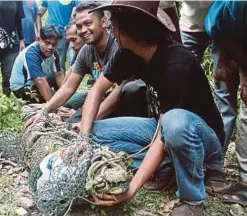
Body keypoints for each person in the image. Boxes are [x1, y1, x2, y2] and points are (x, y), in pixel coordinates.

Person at [85, 2, 225, 215]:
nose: (111, 31)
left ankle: (192, 199)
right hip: (162, 128)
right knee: (93, 132)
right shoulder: (129, 54)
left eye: (114, 25)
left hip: (200, 139)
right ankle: (166, 167)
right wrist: (82, 139)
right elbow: (97, 90)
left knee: (174, 123)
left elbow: (165, 132)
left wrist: (132, 189)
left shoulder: (177, 65)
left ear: (131, 31)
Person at [25, 1, 148, 127]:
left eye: (88, 24)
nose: (83, 30)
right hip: (101, 100)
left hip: (124, 102)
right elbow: (68, 87)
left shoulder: (118, 46)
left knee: (130, 91)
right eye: (79, 26)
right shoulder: (87, 51)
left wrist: (86, 123)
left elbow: (118, 91)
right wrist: (43, 112)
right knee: (69, 124)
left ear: (104, 22)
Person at [205, 0, 247, 205]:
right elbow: (218, 28)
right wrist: (223, 61)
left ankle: (246, 182)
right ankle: (214, 166)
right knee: (224, 106)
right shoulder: (232, 6)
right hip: (227, 38)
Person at [10, 25, 63, 103]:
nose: (50, 47)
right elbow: (40, 81)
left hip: (36, 82)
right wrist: (52, 104)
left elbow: (59, 75)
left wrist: (66, 94)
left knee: (63, 96)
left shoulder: (54, 53)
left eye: (54, 44)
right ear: (38, 40)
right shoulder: (31, 53)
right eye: (47, 43)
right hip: (21, 87)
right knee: (58, 102)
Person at [40, 0, 79, 72]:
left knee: (59, 62)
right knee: (57, 62)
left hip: (63, 33)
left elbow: (39, 13)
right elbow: (39, 13)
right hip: (53, 32)